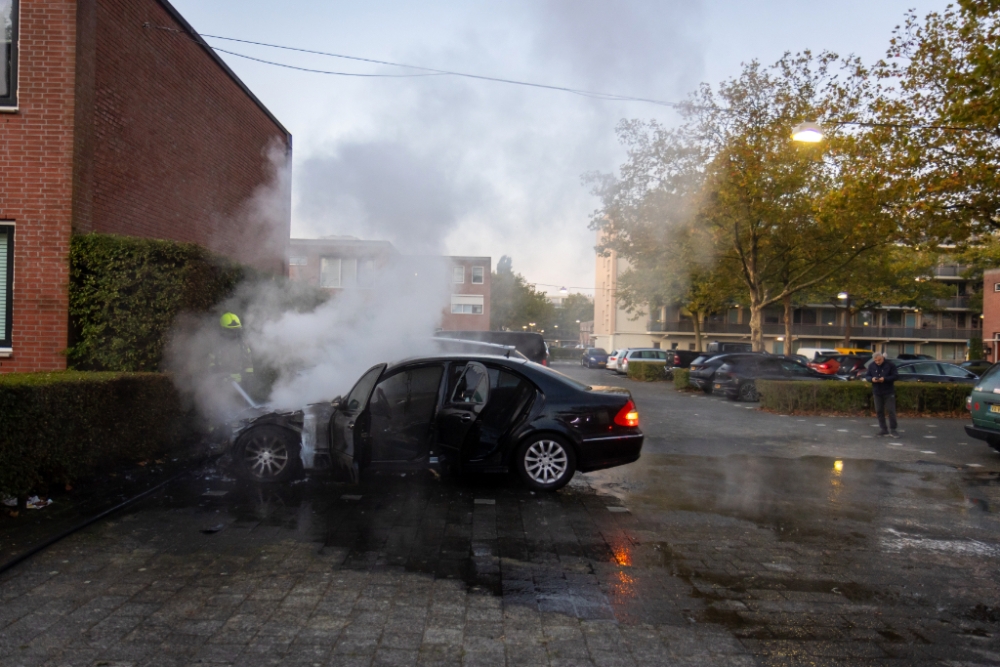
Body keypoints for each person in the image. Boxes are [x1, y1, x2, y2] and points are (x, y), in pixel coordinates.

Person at [208, 312, 255, 400]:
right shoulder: (216, 347)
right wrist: (222, 377)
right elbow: (211, 369)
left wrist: (244, 379)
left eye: (236, 330)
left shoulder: (243, 346)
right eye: (231, 331)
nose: (235, 334)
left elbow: (248, 369)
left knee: (244, 409)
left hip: (241, 387)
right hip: (221, 389)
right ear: (223, 330)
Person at [865, 352, 899, 437]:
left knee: (891, 411)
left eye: (879, 360)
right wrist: (872, 379)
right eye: (876, 360)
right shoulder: (871, 366)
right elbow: (867, 376)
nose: (878, 362)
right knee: (879, 411)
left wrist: (885, 379)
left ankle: (893, 429)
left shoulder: (890, 365)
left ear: (882, 358)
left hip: (888, 391)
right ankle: (883, 429)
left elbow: (895, 376)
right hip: (877, 391)